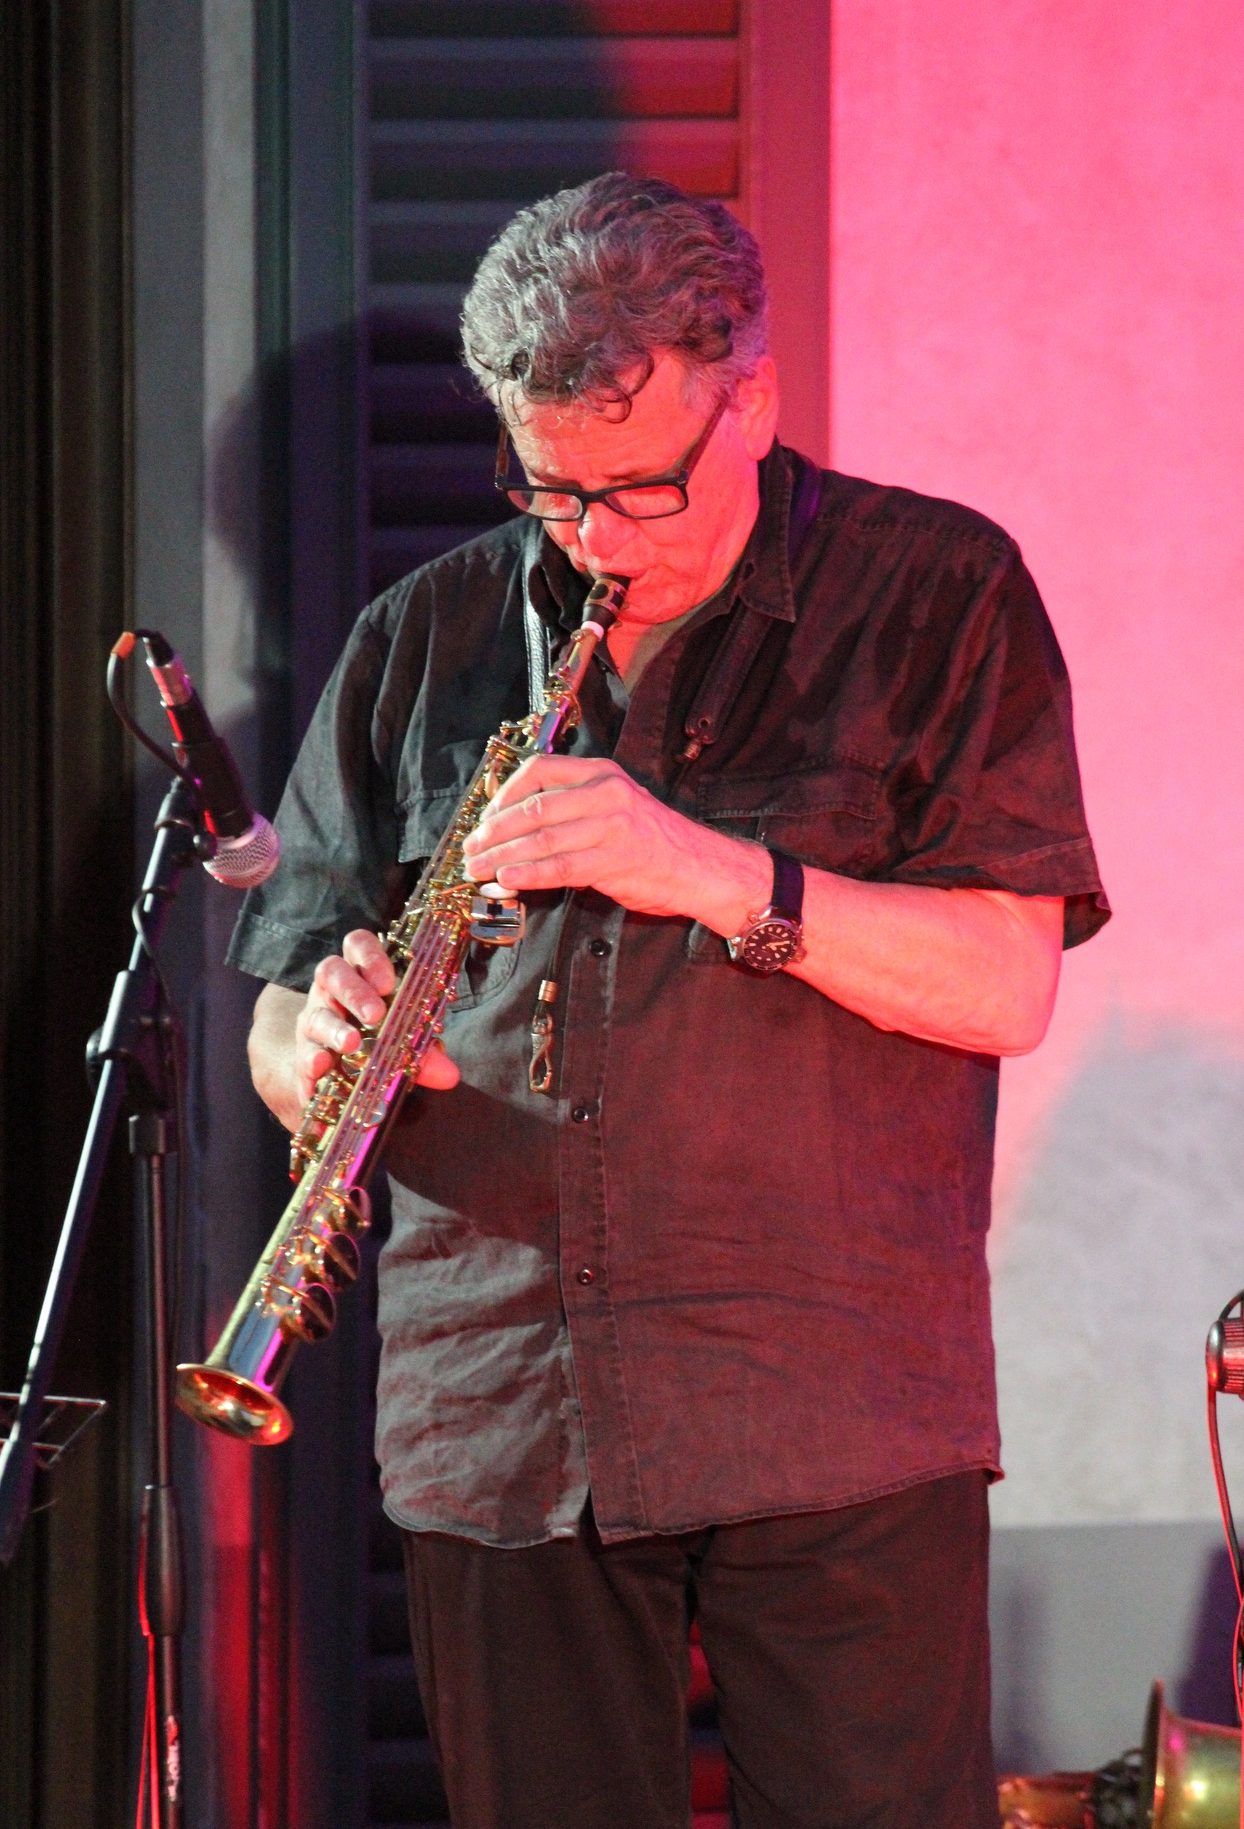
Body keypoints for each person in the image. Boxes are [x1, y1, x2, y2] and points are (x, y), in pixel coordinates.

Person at [228, 173, 1109, 1829]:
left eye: (642, 486)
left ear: (752, 397)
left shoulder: (937, 592)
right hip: (500, 1404)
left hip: (829, 1402)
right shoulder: (423, 634)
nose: (599, 540)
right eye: (552, 489)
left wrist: (709, 870)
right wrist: (314, 1041)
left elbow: (1009, 981)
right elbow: (281, 1006)